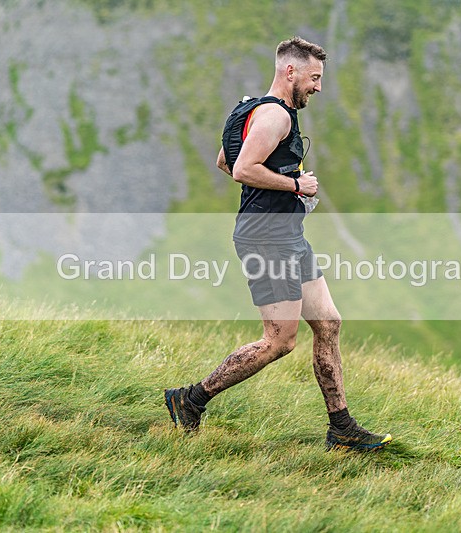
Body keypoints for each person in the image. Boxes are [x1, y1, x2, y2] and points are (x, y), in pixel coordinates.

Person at [165, 37, 391, 451]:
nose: (318, 87)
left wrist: (282, 192)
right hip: (266, 238)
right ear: (291, 72)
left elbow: (224, 160)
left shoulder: (249, 109)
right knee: (279, 341)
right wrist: (295, 185)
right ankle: (190, 400)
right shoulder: (276, 117)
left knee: (328, 323)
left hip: (286, 234)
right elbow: (242, 170)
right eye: (314, 77)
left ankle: (341, 429)